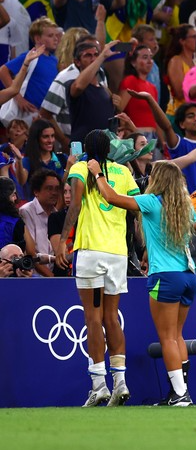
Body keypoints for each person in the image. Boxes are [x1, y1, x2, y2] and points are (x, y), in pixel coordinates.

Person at [87, 159, 196, 406]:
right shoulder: (184, 206)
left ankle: (181, 395)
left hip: (165, 277)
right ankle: (178, 391)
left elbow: (111, 197)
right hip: (188, 275)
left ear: (157, 180)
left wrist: (98, 174)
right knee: (177, 335)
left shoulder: (151, 202)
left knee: (168, 338)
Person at [55, 130, 139, 407]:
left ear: (87, 148)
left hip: (91, 252)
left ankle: (99, 385)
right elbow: (135, 210)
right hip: (117, 254)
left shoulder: (81, 167)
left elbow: (75, 205)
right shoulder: (124, 172)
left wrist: (62, 242)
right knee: (112, 317)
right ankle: (121, 383)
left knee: (93, 319)